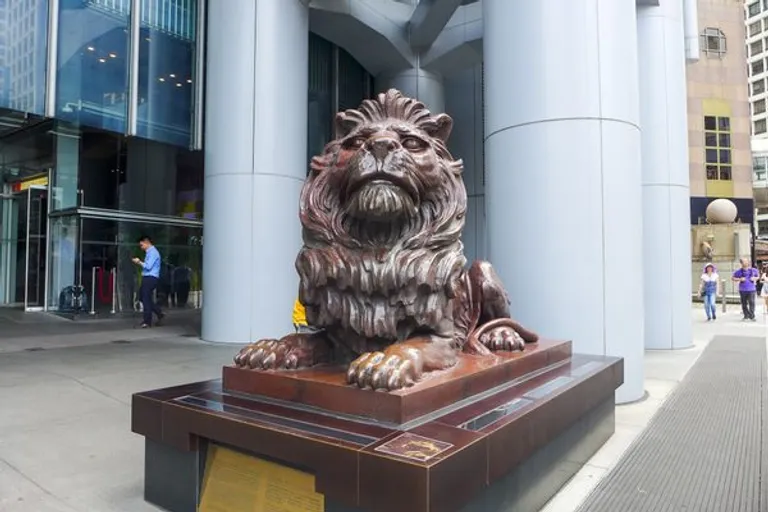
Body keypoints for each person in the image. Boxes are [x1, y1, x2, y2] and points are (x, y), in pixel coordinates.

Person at [132, 235, 165, 328]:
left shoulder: (153, 253)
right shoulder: (149, 252)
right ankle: (159, 312)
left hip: (150, 278)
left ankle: (147, 321)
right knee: (143, 297)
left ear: (146, 242)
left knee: (145, 298)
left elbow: (148, 266)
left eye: (141, 245)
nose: (141, 247)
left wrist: (139, 262)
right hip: (147, 277)